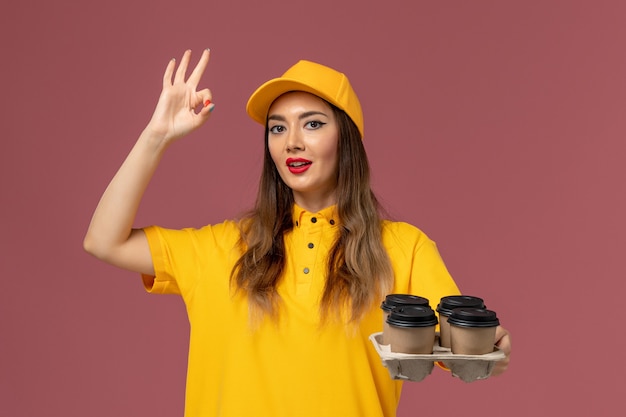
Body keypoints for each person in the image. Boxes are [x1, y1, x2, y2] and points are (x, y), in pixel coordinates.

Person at [84, 49, 511, 417]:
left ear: (347, 139)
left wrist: (490, 345)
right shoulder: (222, 246)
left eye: (312, 124)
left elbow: (461, 349)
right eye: (277, 128)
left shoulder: (403, 247)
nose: (291, 142)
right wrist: (155, 137)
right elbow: (103, 241)